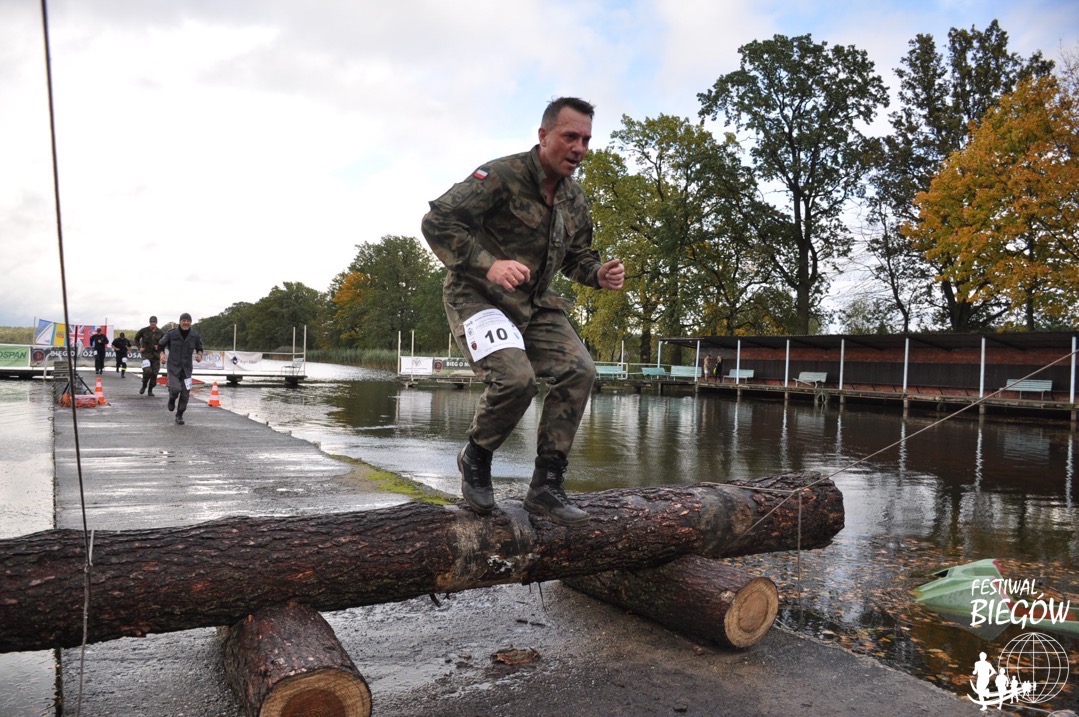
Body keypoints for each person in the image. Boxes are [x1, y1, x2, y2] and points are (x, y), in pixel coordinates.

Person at [421, 96, 625, 526]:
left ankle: (546, 485)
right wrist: (489, 265)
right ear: (544, 135)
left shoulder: (575, 200)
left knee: (580, 370)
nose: (579, 148)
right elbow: (438, 221)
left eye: (586, 140)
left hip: (534, 304)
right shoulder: (500, 176)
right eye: (570, 137)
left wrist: (598, 273)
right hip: (478, 296)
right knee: (516, 380)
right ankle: (476, 456)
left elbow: (577, 258)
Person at [158, 313, 204, 425]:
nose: (186, 322)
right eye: (184, 320)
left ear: (191, 322)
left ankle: (179, 415)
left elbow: (200, 348)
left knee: (185, 395)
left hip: (187, 369)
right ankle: (172, 398)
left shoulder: (195, 335)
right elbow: (160, 345)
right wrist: (162, 355)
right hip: (173, 367)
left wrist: (199, 355)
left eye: (188, 321)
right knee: (175, 389)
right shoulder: (171, 333)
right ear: (180, 322)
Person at [134, 316, 164, 396]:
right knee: (147, 371)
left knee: (154, 373)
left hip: (156, 356)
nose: (153, 324)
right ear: (149, 322)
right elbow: (136, 338)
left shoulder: (160, 332)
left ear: (156, 322)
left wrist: (159, 347)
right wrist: (139, 347)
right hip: (146, 355)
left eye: (154, 322)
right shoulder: (144, 330)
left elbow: (164, 343)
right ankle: (144, 385)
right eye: (151, 322)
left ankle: (150, 390)